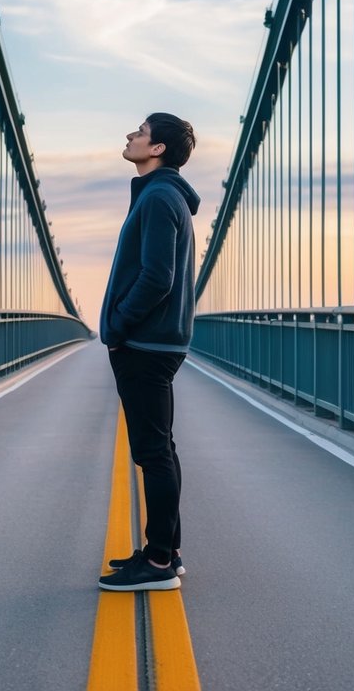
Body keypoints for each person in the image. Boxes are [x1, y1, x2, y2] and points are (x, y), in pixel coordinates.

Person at [98, 112, 200, 592]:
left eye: (139, 132)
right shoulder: (162, 196)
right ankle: (167, 550)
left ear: (156, 148)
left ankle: (158, 563)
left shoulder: (159, 197)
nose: (130, 135)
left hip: (146, 341)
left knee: (153, 452)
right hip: (158, 340)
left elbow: (157, 277)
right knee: (161, 450)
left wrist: (118, 324)